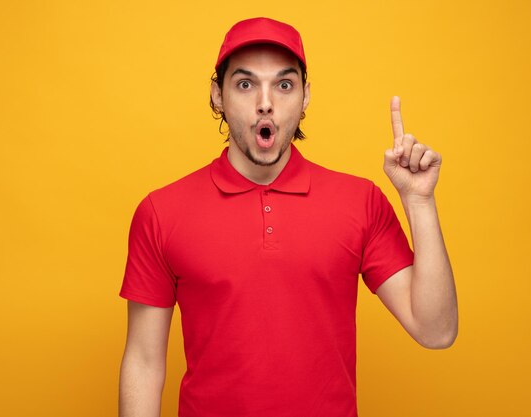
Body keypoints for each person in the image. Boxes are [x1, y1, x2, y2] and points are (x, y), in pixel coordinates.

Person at [118, 17, 457, 417]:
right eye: (245, 84)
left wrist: (419, 202)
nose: (266, 102)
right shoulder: (162, 212)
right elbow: (143, 360)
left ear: (305, 96)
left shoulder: (360, 201)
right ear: (218, 95)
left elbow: (436, 331)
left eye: (284, 84)